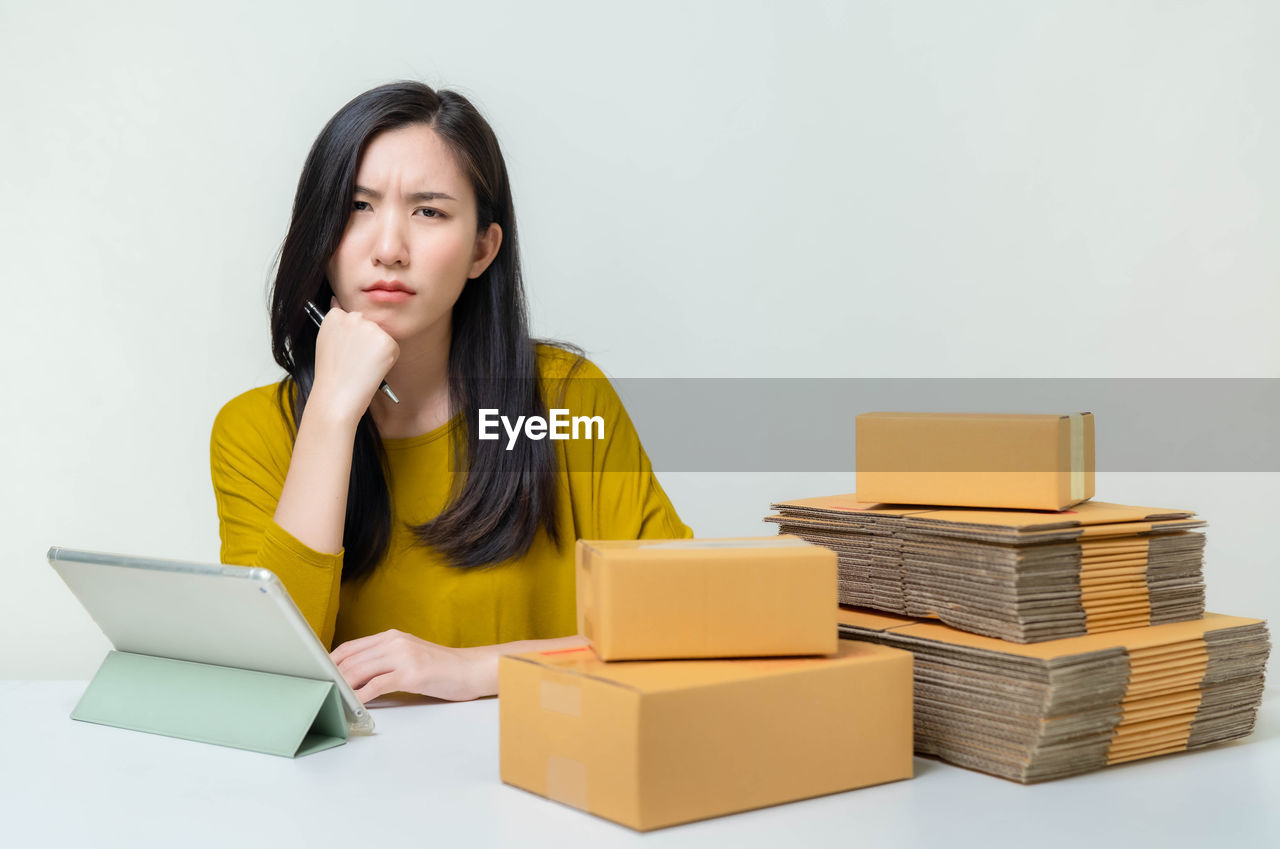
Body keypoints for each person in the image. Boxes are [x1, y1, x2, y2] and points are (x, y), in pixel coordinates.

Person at [210, 81, 692, 704]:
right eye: (357, 207)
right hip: (341, 792)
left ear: (482, 249)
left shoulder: (564, 402)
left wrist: (471, 670)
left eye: (428, 211)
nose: (389, 249)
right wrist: (329, 415)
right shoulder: (253, 430)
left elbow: (679, 618)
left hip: (537, 770)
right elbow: (268, 679)